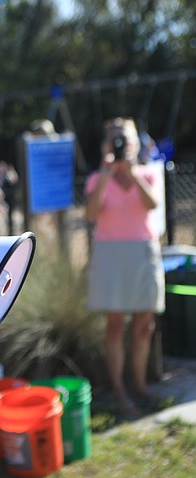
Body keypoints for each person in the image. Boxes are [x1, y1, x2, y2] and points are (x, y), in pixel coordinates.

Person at [85, 117, 164, 418]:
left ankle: (140, 387)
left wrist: (133, 174)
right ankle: (119, 390)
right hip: (110, 255)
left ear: (135, 144)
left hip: (143, 253)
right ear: (107, 144)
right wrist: (107, 175)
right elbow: (91, 214)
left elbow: (152, 204)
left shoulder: (149, 173)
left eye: (126, 139)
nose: (121, 144)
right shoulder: (97, 178)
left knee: (145, 324)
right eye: (115, 139)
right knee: (115, 324)